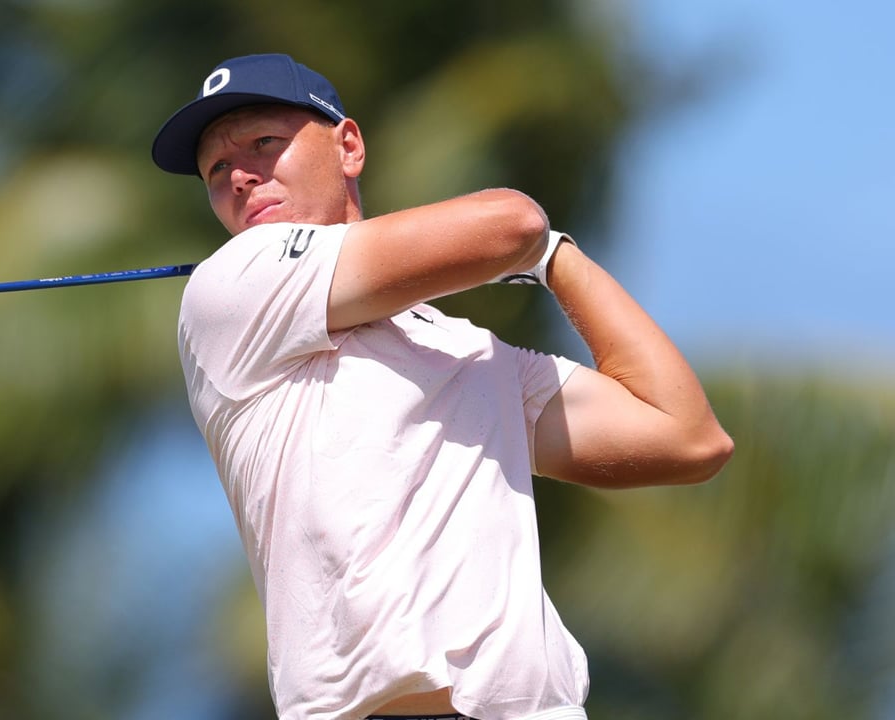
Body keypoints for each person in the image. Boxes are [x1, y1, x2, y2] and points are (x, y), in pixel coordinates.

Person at [151, 53, 733, 720]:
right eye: (217, 170)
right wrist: (527, 244)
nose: (242, 177)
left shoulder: (464, 350)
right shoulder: (232, 285)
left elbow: (688, 437)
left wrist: (556, 256)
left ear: (348, 146)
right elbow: (509, 222)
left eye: (263, 144)